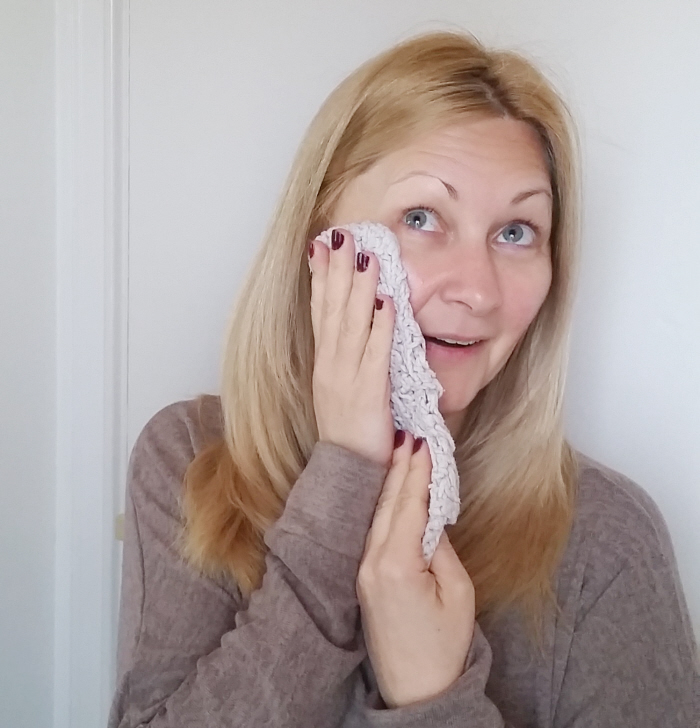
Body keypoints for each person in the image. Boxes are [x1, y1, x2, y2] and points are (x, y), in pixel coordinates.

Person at [107, 29, 699, 727]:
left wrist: (435, 697)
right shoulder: (192, 462)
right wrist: (344, 477)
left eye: (516, 232)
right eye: (422, 218)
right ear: (322, 240)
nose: (477, 291)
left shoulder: (607, 540)